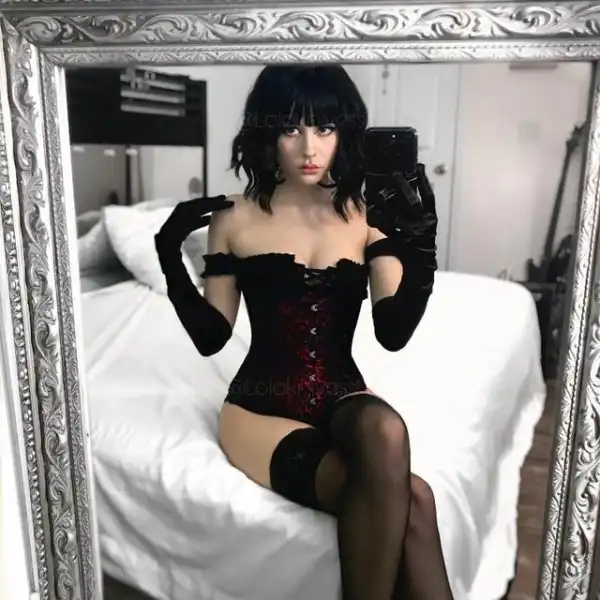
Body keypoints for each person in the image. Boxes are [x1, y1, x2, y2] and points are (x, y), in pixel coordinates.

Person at [155, 65, 453, 600]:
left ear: (345, 133)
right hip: (259, 412)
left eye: (325, 128)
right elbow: (212, 337)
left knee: (388, 433)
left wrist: (423, 249)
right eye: (291, 128)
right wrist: (169, 257)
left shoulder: (367, 215)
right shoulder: (234, 218)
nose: (309, 148)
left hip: (342, 394)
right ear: (267, 134)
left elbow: (392, 333)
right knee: (414, 501)